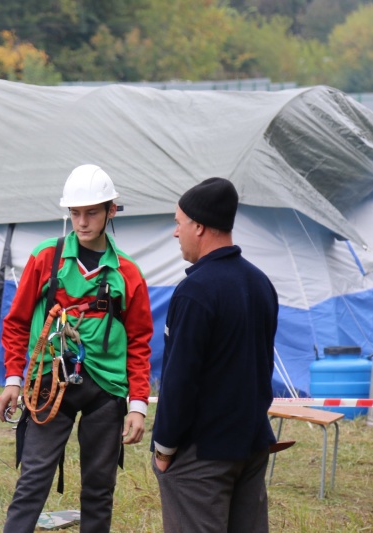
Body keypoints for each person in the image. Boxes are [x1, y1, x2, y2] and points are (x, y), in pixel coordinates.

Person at [0, 164, 153, 533]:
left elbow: (140, 342)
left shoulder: (127, 273)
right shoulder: (44, 259)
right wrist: (13, 379)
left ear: (110, 211)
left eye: (92, 212)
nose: (82, 222)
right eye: (75, 213)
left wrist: (138, 406)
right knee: (33, 480)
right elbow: (17, 322)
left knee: (99, 489)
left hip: (107, 390)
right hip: (49, 383)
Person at [151, 177, 278, 533]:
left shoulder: (195, 291)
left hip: (202, 454)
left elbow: (179, 379)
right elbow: (260, 368)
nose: (176, 233)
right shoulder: (260, 283)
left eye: (179, 223)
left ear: (199, 226)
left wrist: (163, 449)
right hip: (250, 443)